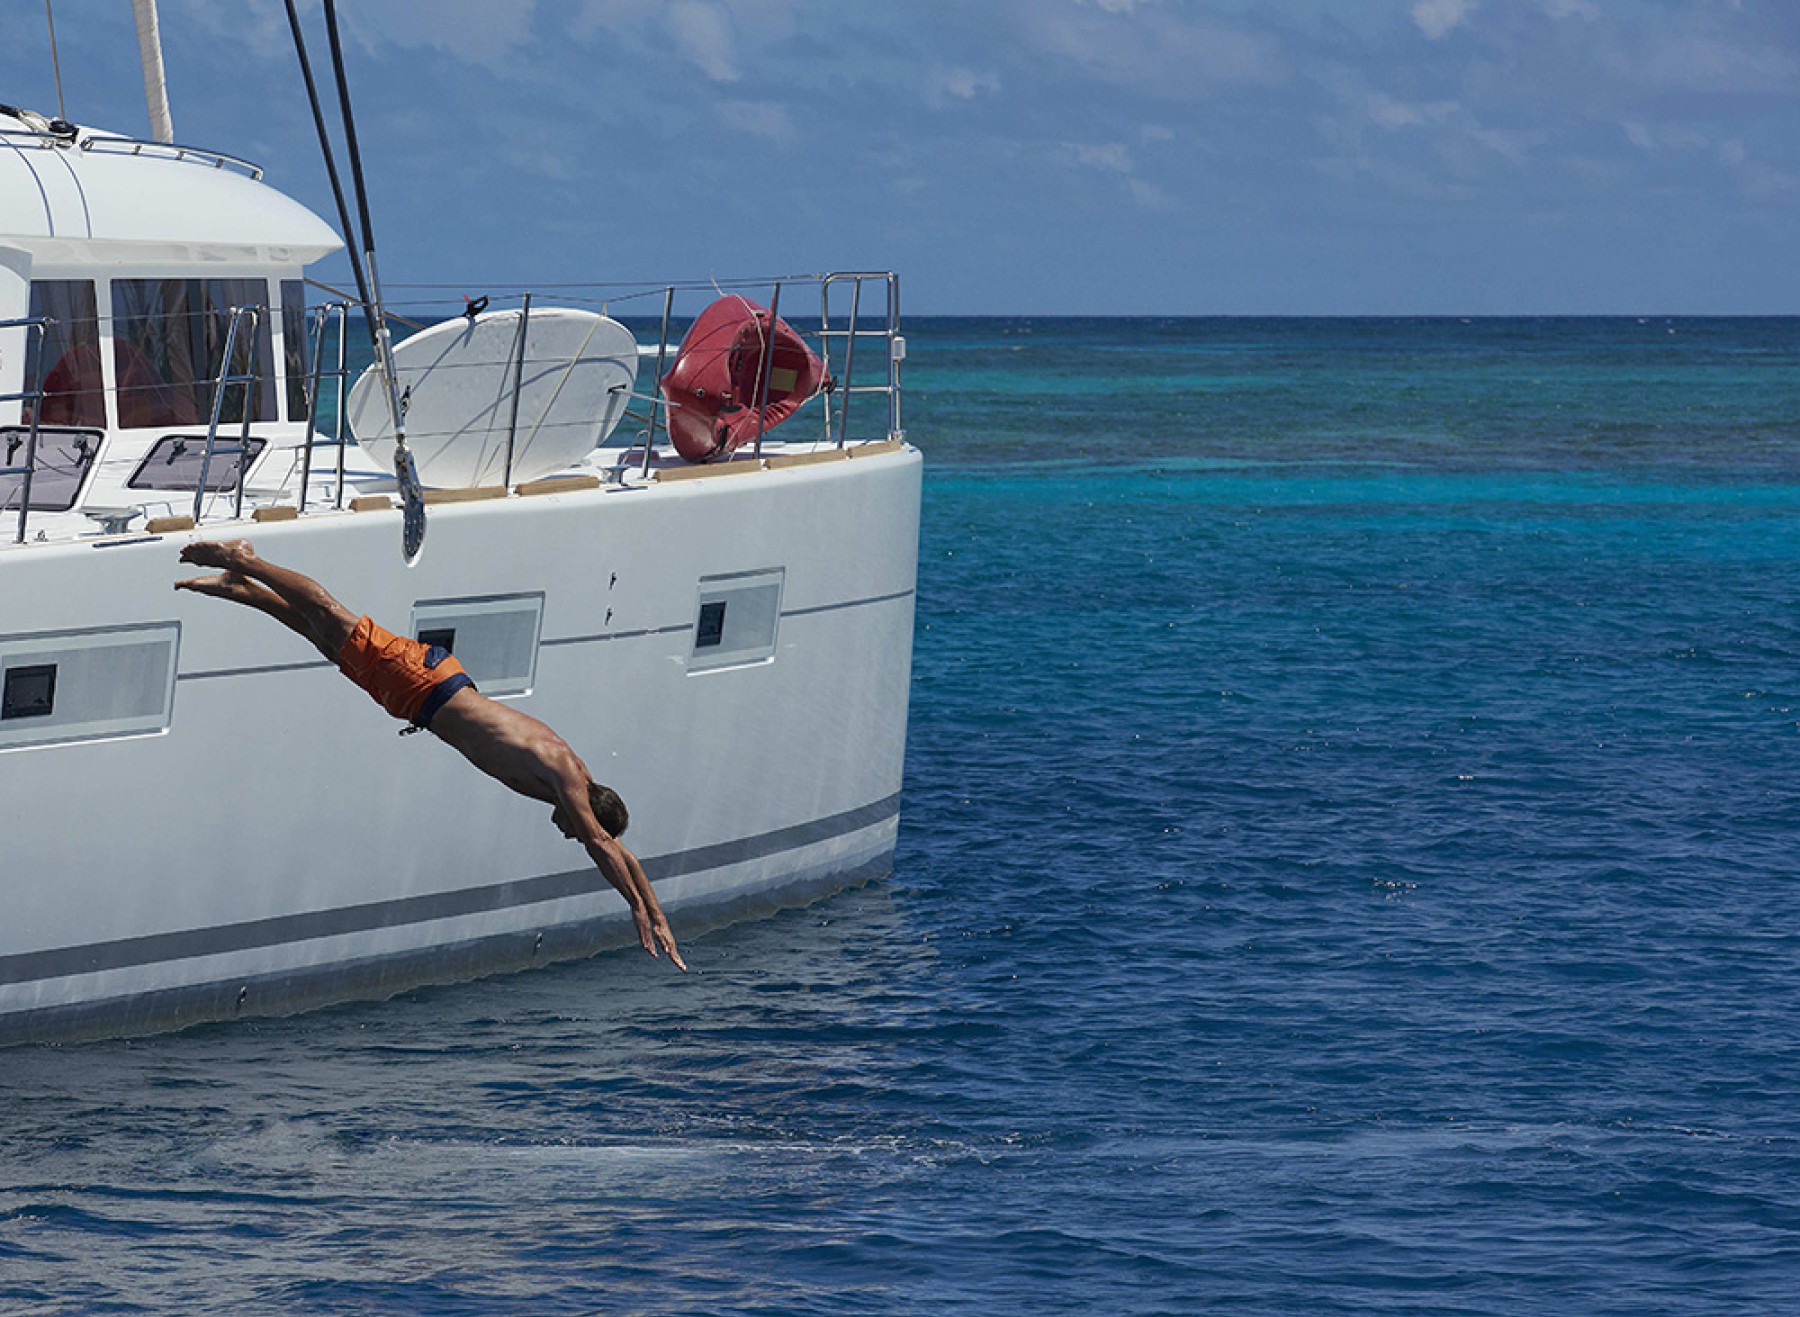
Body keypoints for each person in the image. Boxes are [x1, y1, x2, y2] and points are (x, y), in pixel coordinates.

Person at [174, 538, 685, 970]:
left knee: (329, 644)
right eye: (575, 828)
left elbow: (614, 847)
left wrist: (657, 913)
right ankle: (245, 560)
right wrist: (634, 909)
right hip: (427, 684)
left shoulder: (575, 784)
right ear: (588, 811)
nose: (566, 832)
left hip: (421, 700)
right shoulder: (567, 779)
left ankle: (244, 591)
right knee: (333, 617)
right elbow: (599, 843)